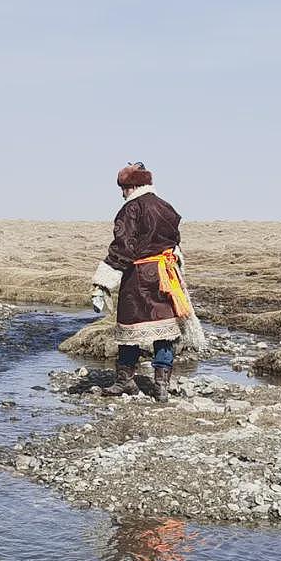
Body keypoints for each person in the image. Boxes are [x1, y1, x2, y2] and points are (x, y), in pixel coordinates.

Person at [90, 163, 204, 401]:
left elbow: (123, 247)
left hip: (139, 275)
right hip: (166, 274)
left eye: (123, 188)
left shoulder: (130, 209)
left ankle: (125, 380)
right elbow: (175, 243)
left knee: (130, 326)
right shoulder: (166, 207)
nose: (122, 193)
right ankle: (161, 385)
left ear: (131, 186)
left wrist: (102, 283)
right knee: (166, 327)